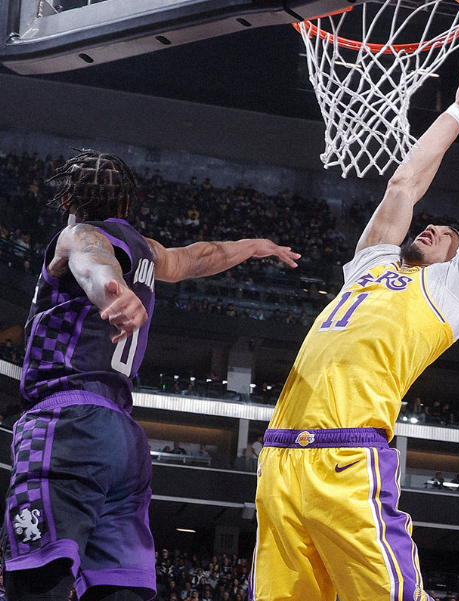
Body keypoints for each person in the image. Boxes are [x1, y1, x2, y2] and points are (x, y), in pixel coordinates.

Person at [252, 54, 459, 601]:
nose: (434, 227)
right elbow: (403, 184)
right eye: (434, 225)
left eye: (449, 235)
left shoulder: (455, 291)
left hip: (347, 455)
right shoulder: (370, 265)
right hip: (277, 457)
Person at [1, 150, 299, 601]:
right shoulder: (148, 250)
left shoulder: (78, 234)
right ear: (126, 204)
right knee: (118, 587)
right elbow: (199, 257)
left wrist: (112, 292)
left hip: (67, 423)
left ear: (67, 200)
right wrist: (252, 246)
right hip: (124, 442)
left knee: (36, 579)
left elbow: (93, 261)